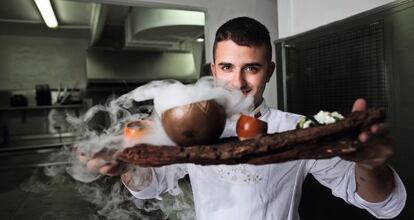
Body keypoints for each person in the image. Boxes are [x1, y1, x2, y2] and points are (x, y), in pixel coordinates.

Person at [84, 17, 406, 220]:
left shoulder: (297, 129)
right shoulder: (192, 131)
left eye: (251, 68)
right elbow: (149, 187)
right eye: (227, 68)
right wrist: (128, 165)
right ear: (213, 71)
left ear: (269, 71)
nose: (238, 83)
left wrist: (368, 164)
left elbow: (384, 204)